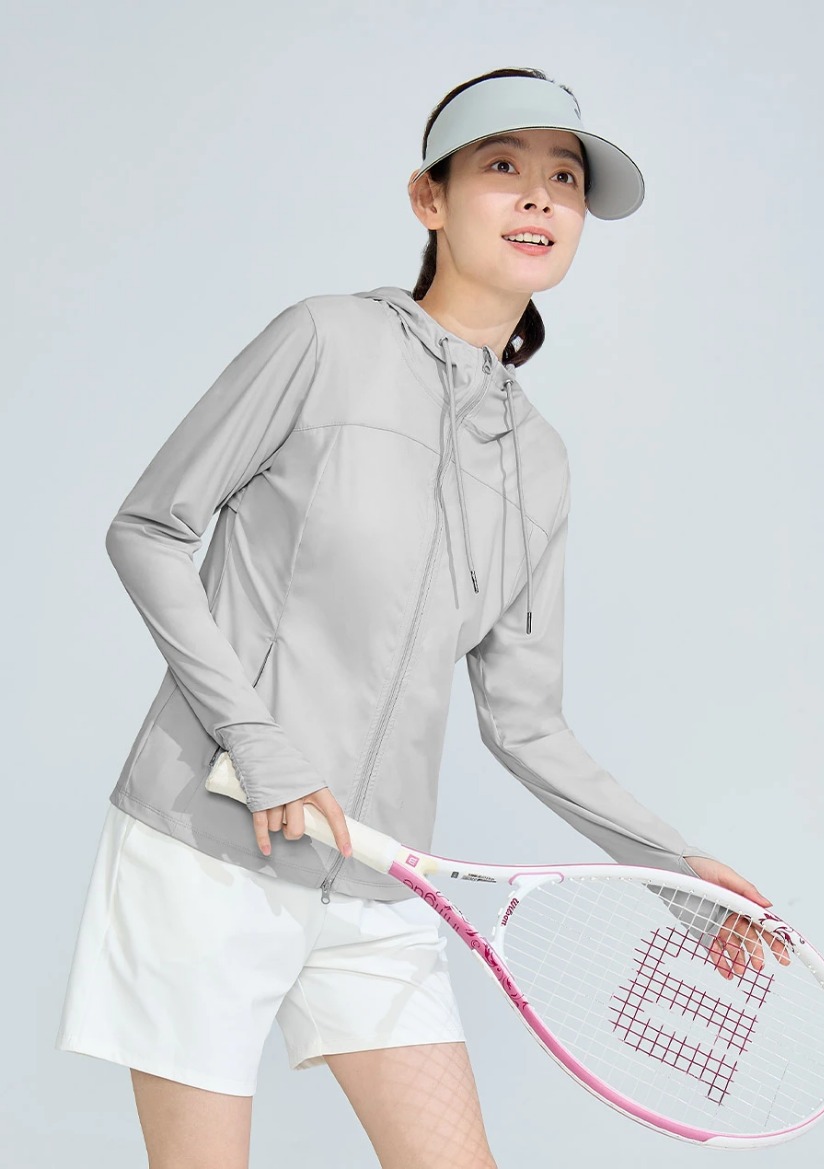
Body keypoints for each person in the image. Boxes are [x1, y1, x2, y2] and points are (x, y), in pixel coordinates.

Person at [55, 67, 780, 1169]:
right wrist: (257, 740)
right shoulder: (324, 341)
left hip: (374, 875)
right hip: (204, 847)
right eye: (503, 167)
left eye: (565, 180)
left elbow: (527, 721)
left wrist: (675, 869)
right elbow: (148, 528)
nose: (538, 197)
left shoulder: (539, 462)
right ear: (428, 198)